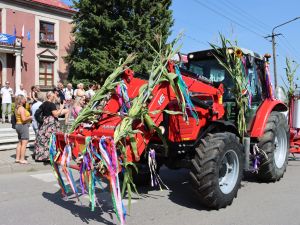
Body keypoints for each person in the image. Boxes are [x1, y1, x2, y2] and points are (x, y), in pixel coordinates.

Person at [34, 91, 69, 162]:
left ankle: (41, 156)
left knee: (44, 139)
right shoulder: (51, 104)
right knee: (51, 139)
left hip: (44, 122)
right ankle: (50, 157)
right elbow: (56, 114)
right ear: (49, 96)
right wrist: (61, 108)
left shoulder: (43, 103)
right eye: (53, 96)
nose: (54, 97)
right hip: (51, 123)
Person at [15, 95, 32, 164]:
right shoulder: (21, 108)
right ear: (21, 100)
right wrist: (31, 117)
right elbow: (24, 119)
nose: (25, 100)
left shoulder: (17, 107)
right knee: (24, 143)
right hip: (23, 126)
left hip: (18, 125)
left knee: (20, 142)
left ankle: (17, 158)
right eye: (24, 99)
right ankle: (22, 159)